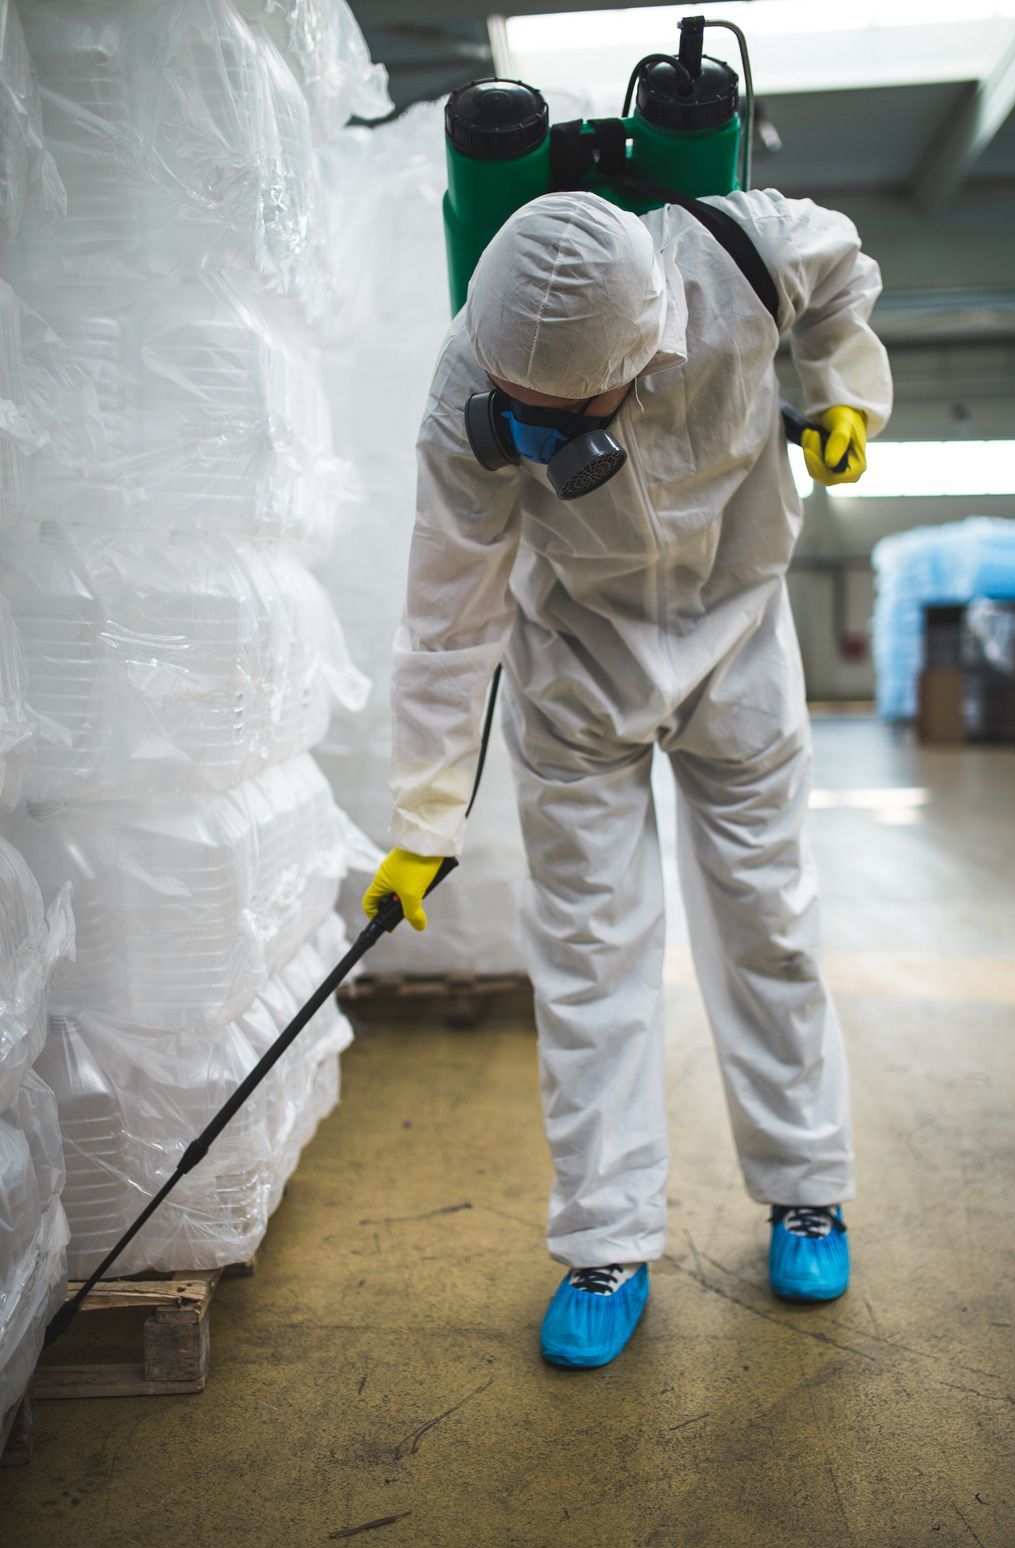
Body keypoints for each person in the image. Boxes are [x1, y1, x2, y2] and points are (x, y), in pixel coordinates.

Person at [363, 186, 892, 1369]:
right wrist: (422, 819)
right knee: (589, 950)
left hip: (739, 628)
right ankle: (604, 1239)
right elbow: (445, 620)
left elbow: (845, 273)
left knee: (769, 921)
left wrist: (843, 384)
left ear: (642, 354)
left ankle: (805, 1188)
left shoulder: (745, 253)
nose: (535, 435)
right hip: (576, 661)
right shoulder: (472, 392)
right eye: (521, 415)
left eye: (566, 419)